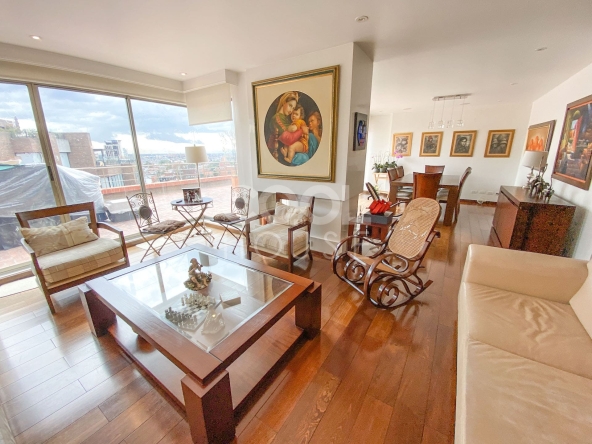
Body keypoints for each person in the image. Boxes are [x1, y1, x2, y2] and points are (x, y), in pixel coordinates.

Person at [267, 91, 298, 160]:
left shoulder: (286, 119)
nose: (291, 110)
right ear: (284, 102)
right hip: (275, 154)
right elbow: (287, 137)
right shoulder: (276, 118)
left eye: (293, 108)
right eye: (290, 105)